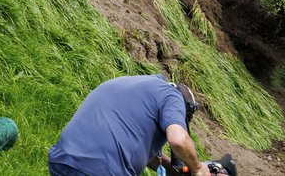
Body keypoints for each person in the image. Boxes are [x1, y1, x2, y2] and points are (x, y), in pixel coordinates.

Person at [48, 75, 208, 176]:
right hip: (100, 170)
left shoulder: (136, 85)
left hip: (62, 161)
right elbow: (178, 139)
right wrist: (198, 168)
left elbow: (148, 156)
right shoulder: (172, 96)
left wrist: (178, 172)